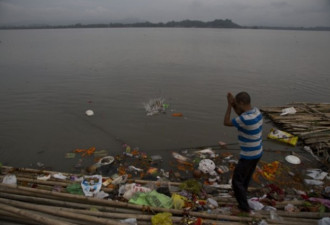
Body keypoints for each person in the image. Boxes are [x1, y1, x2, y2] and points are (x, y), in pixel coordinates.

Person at [223, 91, 263, 213]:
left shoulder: (244, 119)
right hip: (258, 152)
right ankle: (242, 193)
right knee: (245, 177)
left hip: (248, 155)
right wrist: (234, 104)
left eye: (237, 104)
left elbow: (226, 122)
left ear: (241, 103)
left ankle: (243, 208)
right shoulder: (256, 112)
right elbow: (241, 113)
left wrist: (229, 105)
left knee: (236, 181)